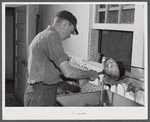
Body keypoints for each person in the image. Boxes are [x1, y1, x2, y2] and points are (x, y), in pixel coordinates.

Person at [24, 10, 100, 106]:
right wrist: (90, 73)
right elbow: (68, 72)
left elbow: (51, 71)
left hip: (37, 92)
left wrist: (79, 77)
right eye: (70, 31)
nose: (69, 36)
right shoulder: (52, 37)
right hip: (41, 94)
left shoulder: (43, 35)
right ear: (65, 23)